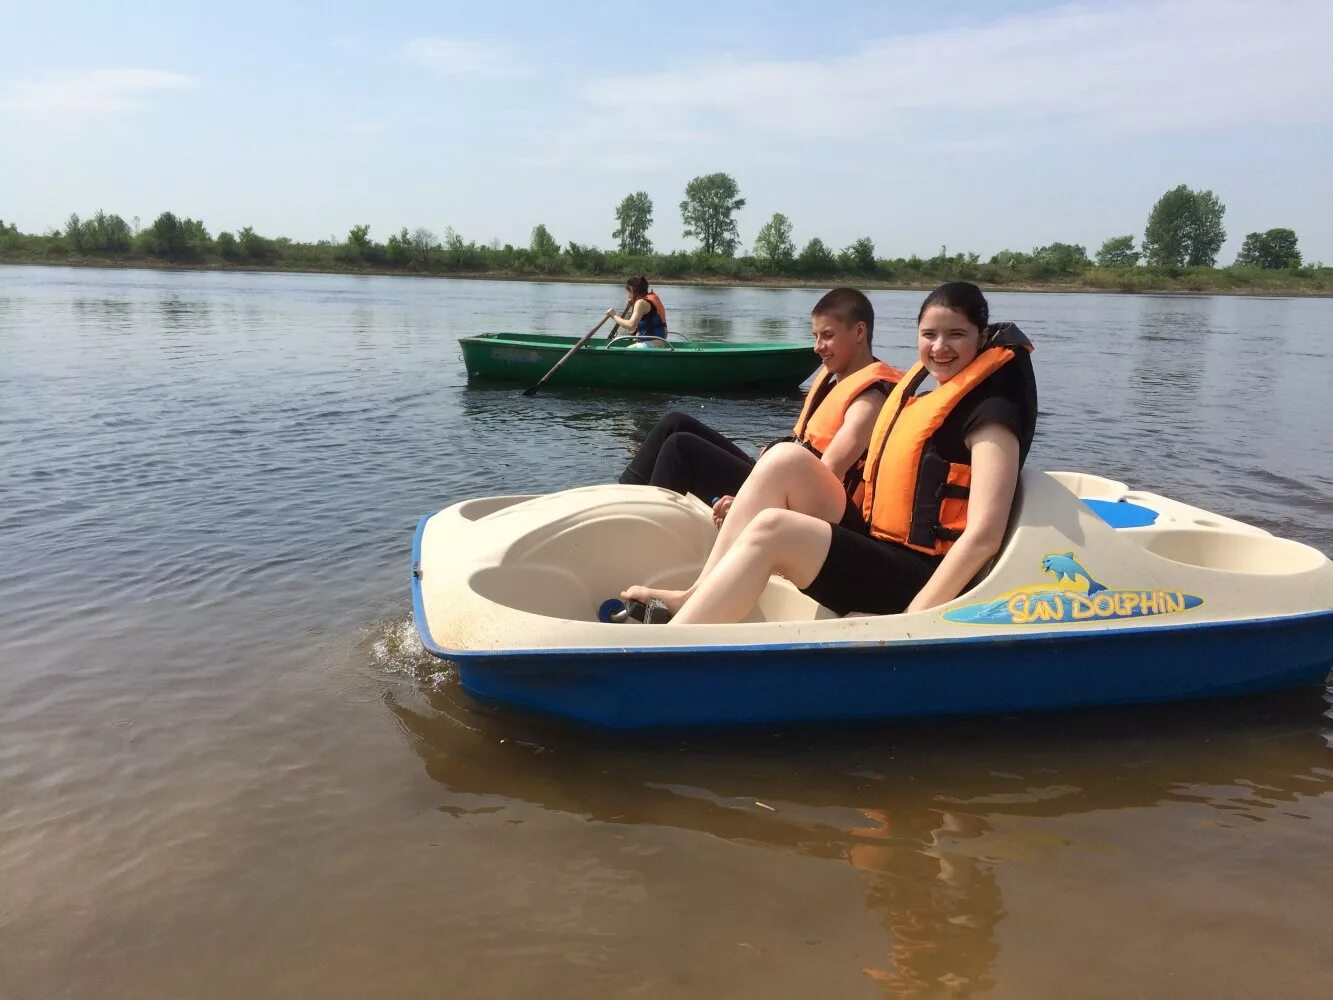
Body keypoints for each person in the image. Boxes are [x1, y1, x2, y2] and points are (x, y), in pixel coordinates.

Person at [619, 281, 1037, 625]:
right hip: (880, 544)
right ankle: (694, 594)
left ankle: (674, 641)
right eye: (929, 335)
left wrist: (914, 620)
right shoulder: (935, 395)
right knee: (785, 460)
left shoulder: (992, 417)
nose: (940, 347)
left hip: (919, 579)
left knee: (773, 529)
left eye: (956, 335)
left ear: (981, 337)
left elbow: (983, 537)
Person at [619, 288, 902, 525]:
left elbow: (823, 477)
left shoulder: (869, 399)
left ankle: (647, 531)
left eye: (827, 335)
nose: (817, 346)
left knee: (681, 449)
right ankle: (621, 505)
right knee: (674, 422)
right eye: (815, 336)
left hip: (809, 510)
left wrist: (750, 503)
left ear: (859, 332)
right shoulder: (837, 379)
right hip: (781, 483)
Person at [607, 276, 668, 347]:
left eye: (629, 291)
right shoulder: (646, 300)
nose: (628, 295)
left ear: (633, 291)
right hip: (658, 342)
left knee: (624, 351)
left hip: (652, 344)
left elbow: (631, 326)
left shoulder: (641, 303)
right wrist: (633, 303)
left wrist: (614, 315)